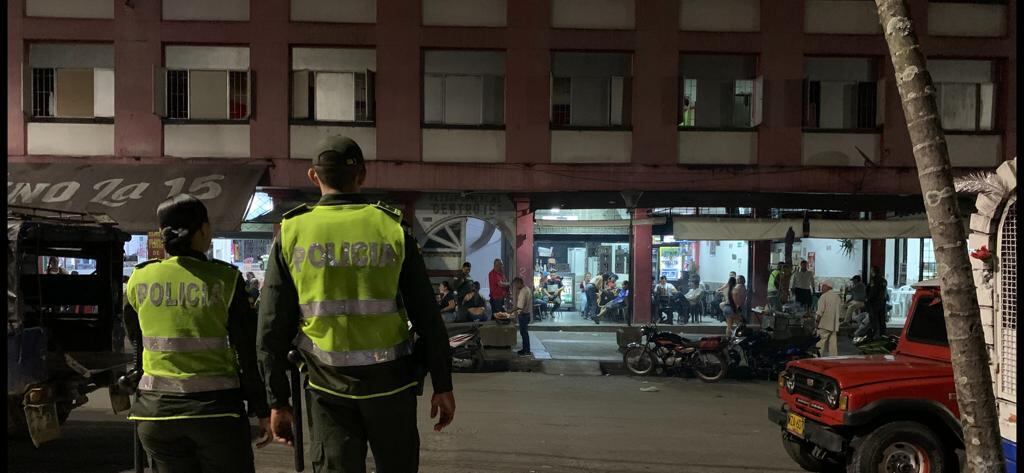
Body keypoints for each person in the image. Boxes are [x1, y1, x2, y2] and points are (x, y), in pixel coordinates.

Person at [256, 136, 455, 473]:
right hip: (392, 384)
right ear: (362, 175)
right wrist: (443, 384)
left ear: (313, 176)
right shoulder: (391, 227)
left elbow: (271, 325)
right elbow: (427, 315)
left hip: (325, 387)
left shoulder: (291, 232)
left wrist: (277, 401)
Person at [123, 194, 270, 473]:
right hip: (217, 414)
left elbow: (137, 345)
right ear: (203, 230)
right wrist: (263, 410)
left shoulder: (139, 279)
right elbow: (248, 353)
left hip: (156, 416)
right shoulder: (226, 279)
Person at [815, 281, 844, 356]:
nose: (821, 288)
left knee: (820, 342)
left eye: (823, 286)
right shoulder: (837, 297)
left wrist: (817, 322)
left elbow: (820, 311)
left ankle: (816, 357)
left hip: (824, 324)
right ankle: (833, 359)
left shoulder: (824, 296)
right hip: (834, 325)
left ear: (827, 287)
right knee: (833, 344)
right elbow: (839, 311)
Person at [507, 277, 533, 356]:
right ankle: (525, 349)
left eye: (515, 285)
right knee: (524, 333)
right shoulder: (527, 289)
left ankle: (527, 351)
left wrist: (510, 311)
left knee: (524, 333)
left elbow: (519, 306)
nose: (515, 287)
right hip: (527, 314)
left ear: (519, 283)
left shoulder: (522, 292)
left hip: (523, 315)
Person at [866, 266, 888, 338]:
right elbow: (884, 292)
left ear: (873, 271)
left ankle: (874, 335)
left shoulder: (874, 280)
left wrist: (868, 299)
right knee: (882, 320)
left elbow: (873, 291)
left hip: (874, 303)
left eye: (871, 270)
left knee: (874, 319)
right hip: (882, 302)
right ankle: (883, 335)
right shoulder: (884, 280)